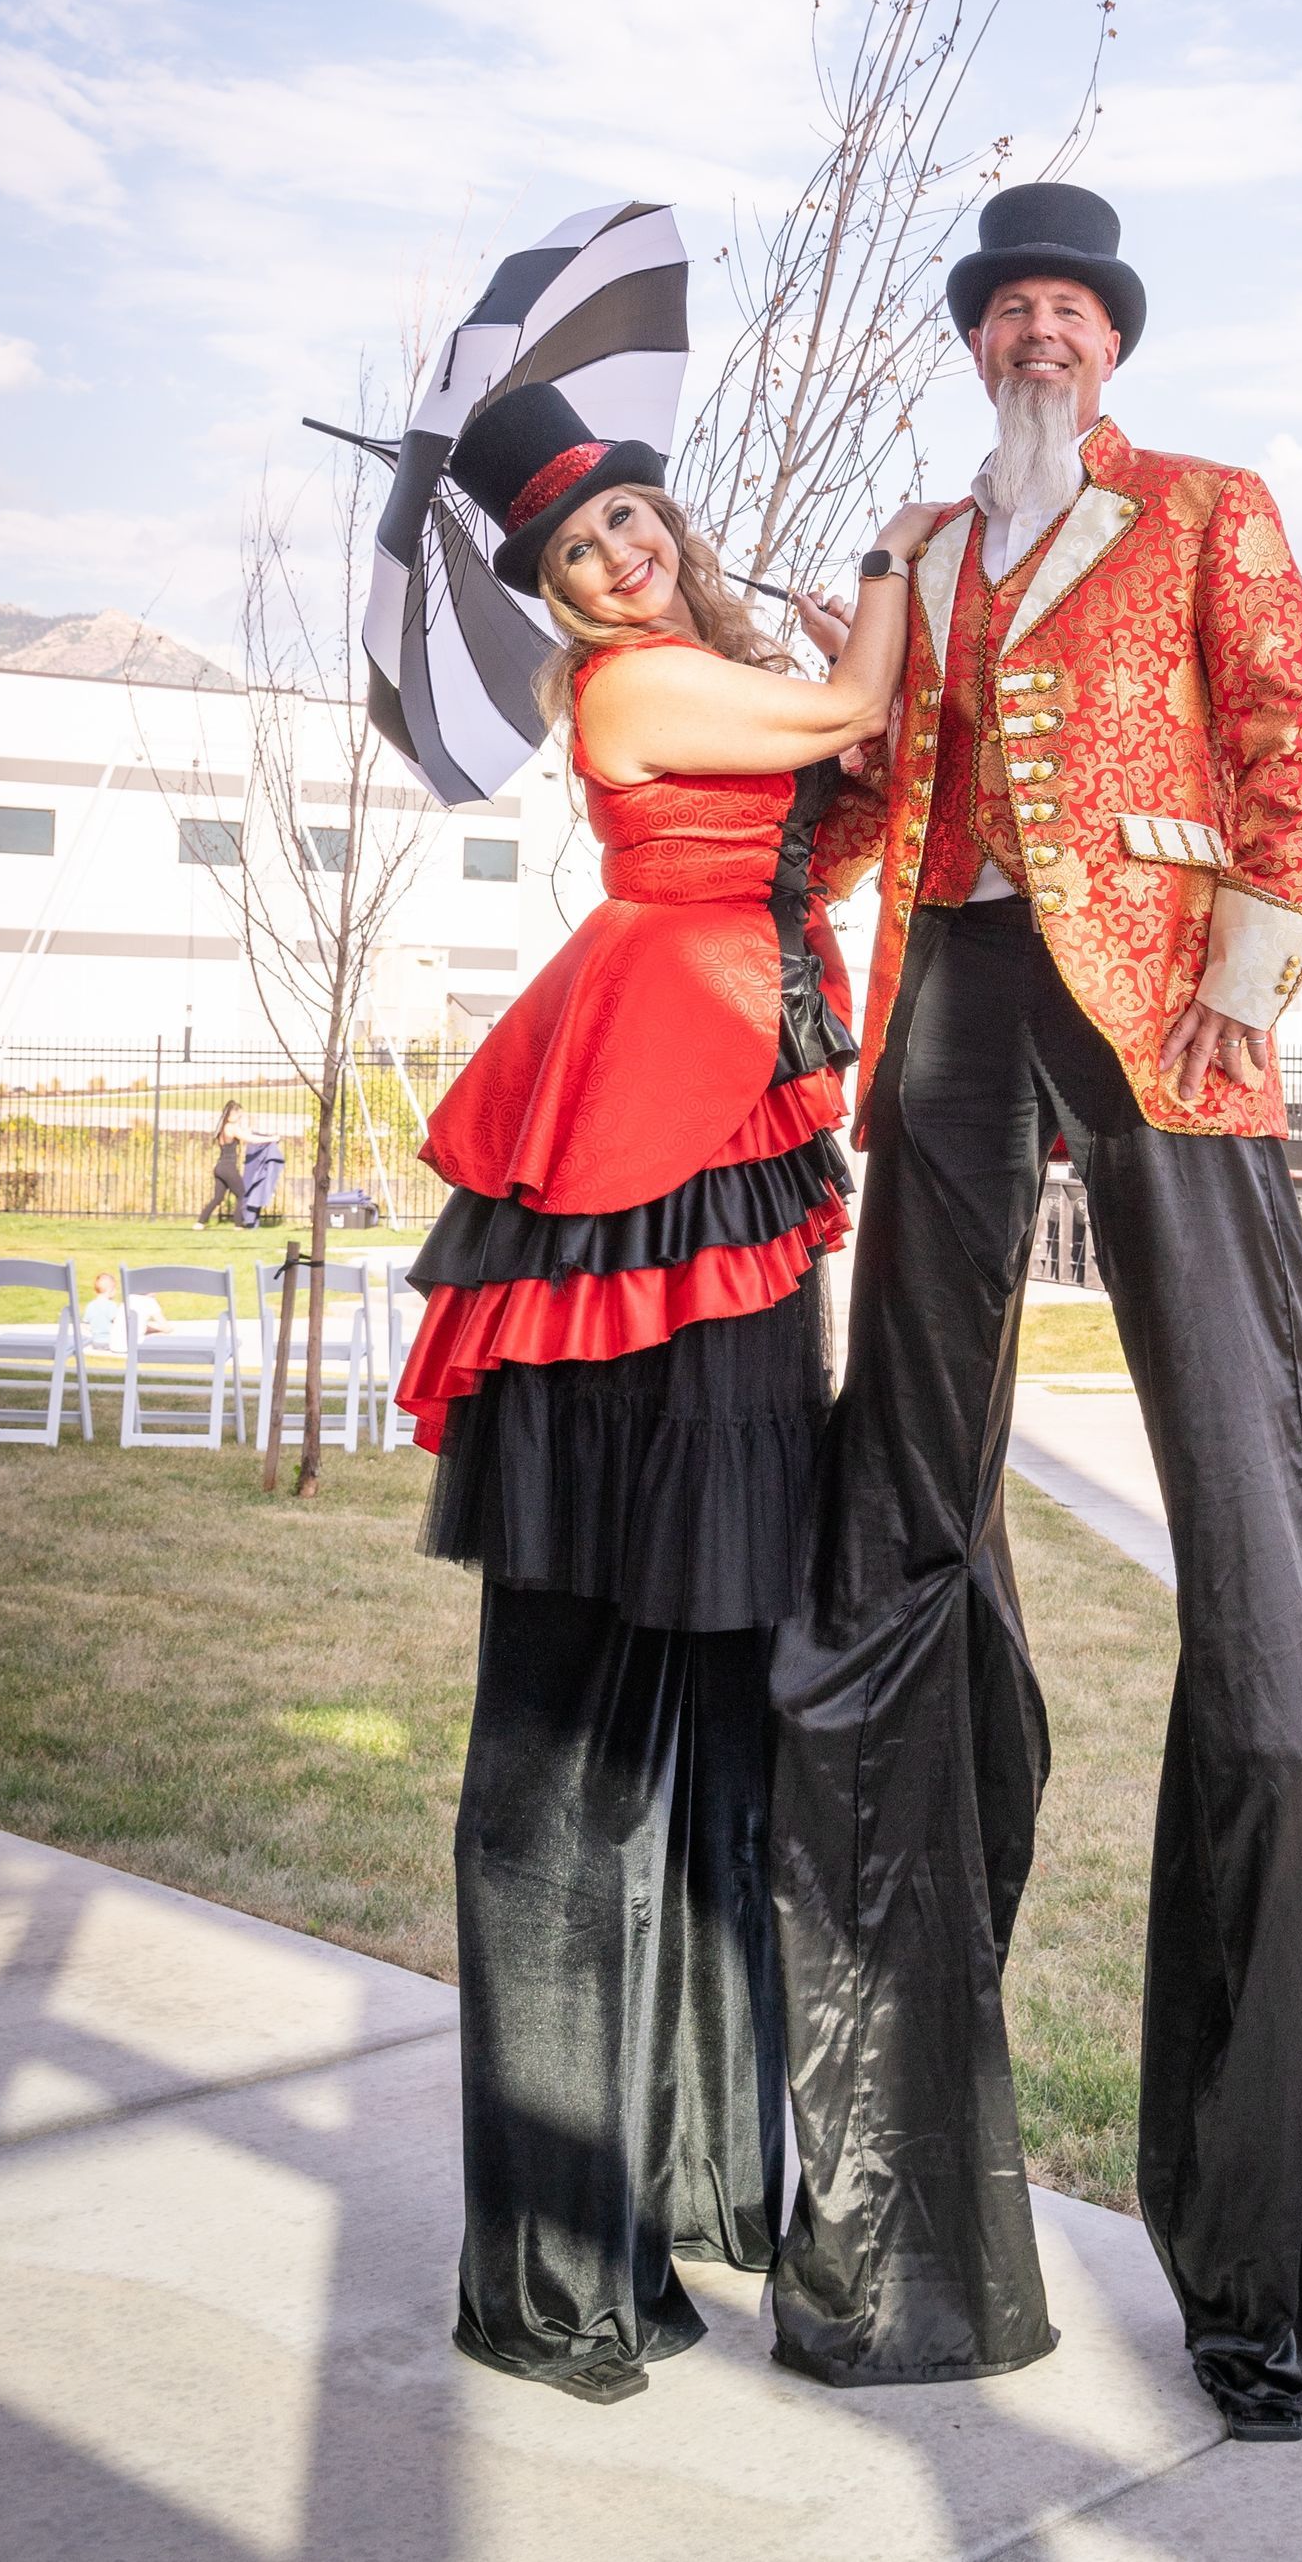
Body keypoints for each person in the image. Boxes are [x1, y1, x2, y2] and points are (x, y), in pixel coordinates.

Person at [772, 183, 1302, 2440]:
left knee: (1253, 1557)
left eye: (1072, 308)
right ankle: (886, 2202)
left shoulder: (1207, 508)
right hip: (951, 993)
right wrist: (768, 768)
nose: (1042, 332)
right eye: (1012, 307)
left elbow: (1298, 746)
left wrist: (1245, 980)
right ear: (979, 342)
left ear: (1109, 342)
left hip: (1164, 1015)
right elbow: (872, 796)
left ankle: (1257, 2264)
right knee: (896, 1527)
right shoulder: (924, 547)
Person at [392, 380, 930, 2408]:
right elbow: (851, 707)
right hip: (636, 1155)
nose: (619, 558)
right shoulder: (626, 690)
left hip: (728, 1152)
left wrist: (853, 710)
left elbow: (838, 809)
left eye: (630, 520)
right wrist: (890, 569)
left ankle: (698, 2181)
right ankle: (547, 2269)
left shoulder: (710, 667)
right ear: (555, 595)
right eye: (576, 553)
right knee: (566, 1743)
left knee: (714, 1694)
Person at [196, 1102, 247, 1226]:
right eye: (239, 1115)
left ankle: (200, 1222)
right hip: (228, 1167)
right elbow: (249, 1138)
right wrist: (271, 1139)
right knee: (242, 1194)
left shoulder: (223, 1128)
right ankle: (238, 1224)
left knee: (218, 1198)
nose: (240, 1118)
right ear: (232, 1115)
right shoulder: (231, 1127)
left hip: (220, 1167)